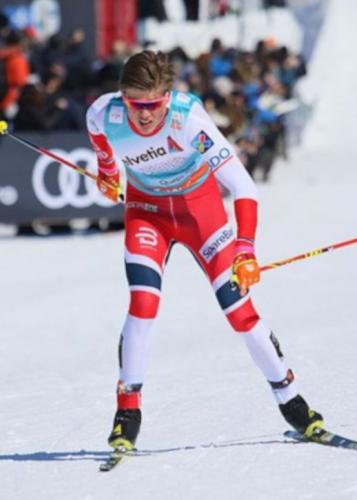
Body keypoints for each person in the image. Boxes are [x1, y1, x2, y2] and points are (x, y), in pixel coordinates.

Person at [85, 51, 331, 453]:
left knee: (239, 312)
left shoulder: (188, 122)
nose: (144, 114)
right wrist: (109, 172)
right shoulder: (105, 113)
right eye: (135, 103)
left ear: (167, 95)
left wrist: (246, 250)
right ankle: (127, 415)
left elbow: (243, 186)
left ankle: (295, 405)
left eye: (153, 104)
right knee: (143, 304)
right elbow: (97, 135)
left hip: (200, 213)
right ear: (121, 96)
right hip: (147, 214)